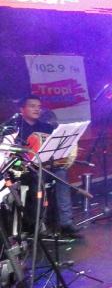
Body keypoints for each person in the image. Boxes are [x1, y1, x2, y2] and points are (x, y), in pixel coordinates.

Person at [14, 95, 82, 238]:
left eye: (39, 107)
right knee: (37, 177)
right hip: (24, 169)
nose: (37, 109)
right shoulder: (14, 128)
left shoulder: (46, 127)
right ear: (22, 109)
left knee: (61, 173)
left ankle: (66, 223)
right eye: (32, 106)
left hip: (46, 166)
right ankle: (37, 224)